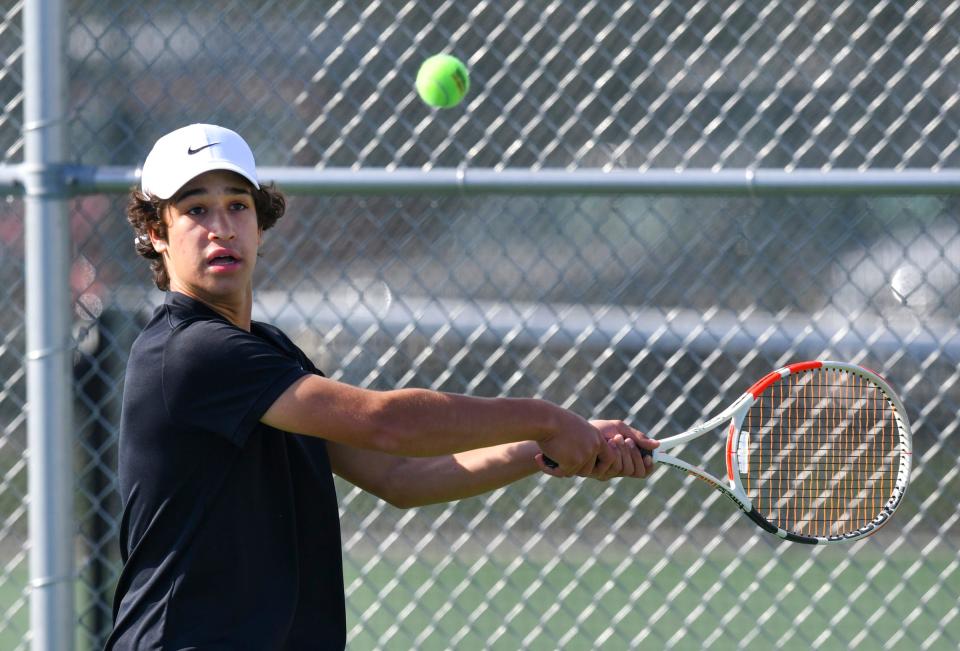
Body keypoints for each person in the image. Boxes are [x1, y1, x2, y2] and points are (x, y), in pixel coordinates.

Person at [106, 123, 657, 650]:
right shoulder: (192, 352)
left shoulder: (266, 351)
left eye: (238, 206)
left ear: (259, 224)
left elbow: (399, 477)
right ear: (156, 233)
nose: (221, 226)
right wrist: (548, 419)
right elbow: (386, 424)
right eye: (196, 209)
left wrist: (540, 450)